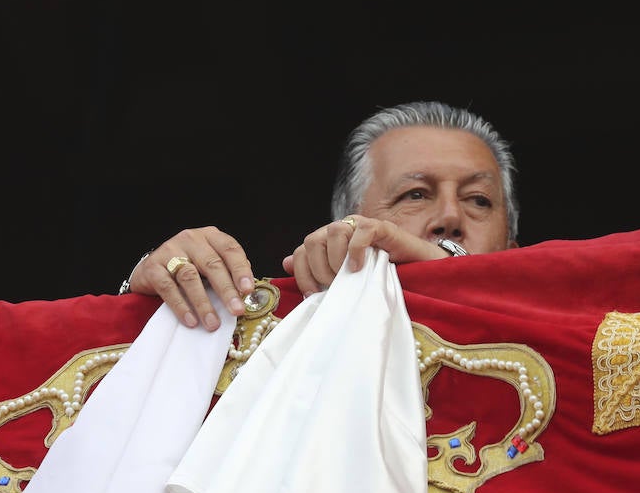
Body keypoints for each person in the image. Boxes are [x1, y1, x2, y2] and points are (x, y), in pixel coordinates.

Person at [124, 100, 519, 330]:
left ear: (517, 251)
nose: (449, 216)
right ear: (345, 228)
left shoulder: (580, 350)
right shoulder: (275, 335)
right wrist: (147, 306)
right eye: (415, 194)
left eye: (478, 200)